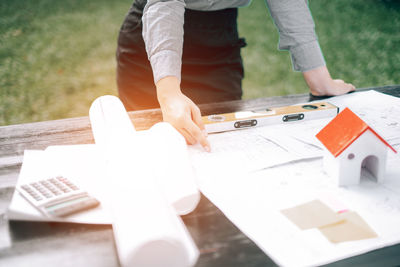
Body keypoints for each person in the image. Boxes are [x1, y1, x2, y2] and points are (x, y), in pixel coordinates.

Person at [116, 0, 355, 152]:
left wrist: (318, 75)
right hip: (153, 47)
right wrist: (169, 93)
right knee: (154, 155)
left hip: (219, 41)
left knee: (216, 150)